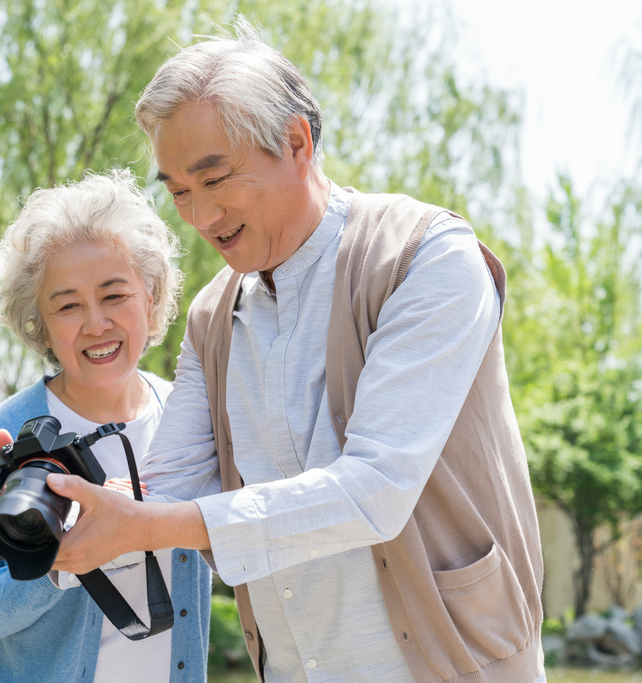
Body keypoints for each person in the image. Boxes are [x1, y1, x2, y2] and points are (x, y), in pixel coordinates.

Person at [32, 18, 546, 683]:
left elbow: (374, 490)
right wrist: (46, 505)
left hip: (448, 665)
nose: (200, 217)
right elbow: (165, 492)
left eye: (216, 179)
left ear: (297, 142)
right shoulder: (213, 316)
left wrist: (147, 521)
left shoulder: (427, 257)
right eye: (180, 192)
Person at [0, 170, 212, 683]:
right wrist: (60, 563)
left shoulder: (190, 417)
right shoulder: (0, 437)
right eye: (68, 305)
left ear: (151, 298)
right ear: (40, 324)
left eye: (115, 295)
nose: (96, 323)